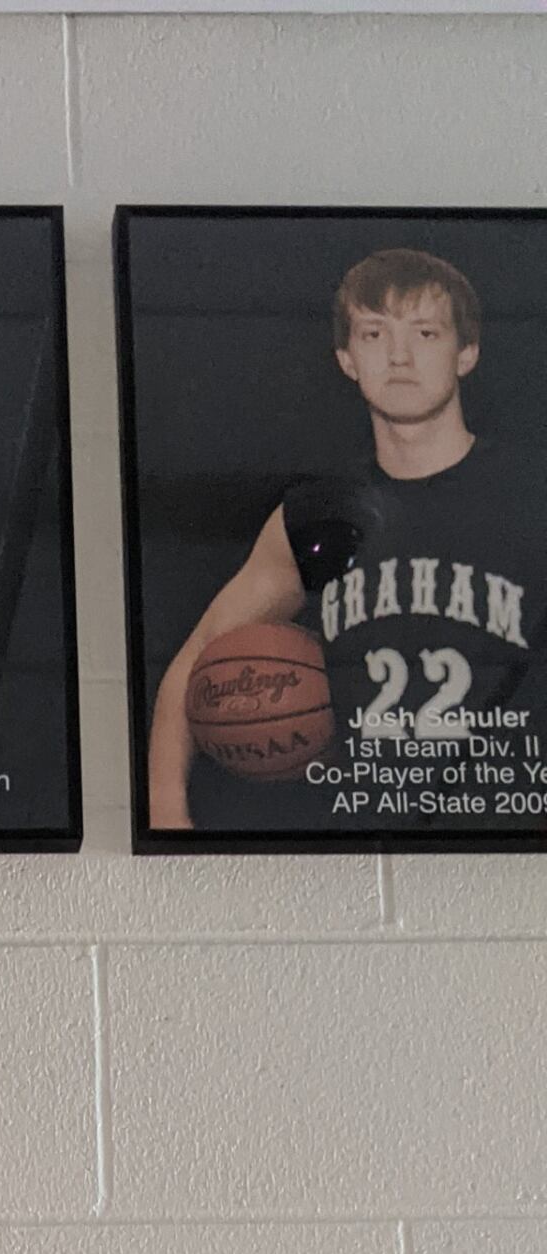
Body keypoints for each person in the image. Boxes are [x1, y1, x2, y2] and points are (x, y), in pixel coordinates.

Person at [147, 247, 546, 831]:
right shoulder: (318, 511)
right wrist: (165, 814)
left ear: (467, 353)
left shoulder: (533, 488)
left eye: (426, 333)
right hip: (363, 835)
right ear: (346, 358)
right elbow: (198, 657)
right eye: (374, 334)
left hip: (511, 833)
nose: (400, 356)